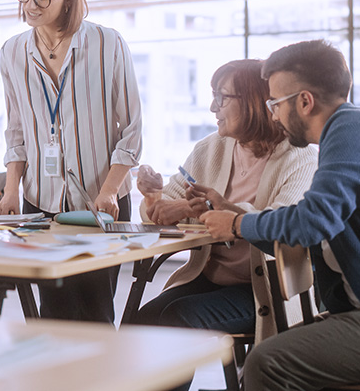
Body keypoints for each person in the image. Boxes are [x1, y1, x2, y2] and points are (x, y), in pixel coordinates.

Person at [201, 40, 360, 390]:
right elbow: (310, 217)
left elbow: (313, 222)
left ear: (304, 101)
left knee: (266, 364)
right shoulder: (353, 129)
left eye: (275, 104)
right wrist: (242, 219)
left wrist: (237, 224)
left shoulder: (348, 131)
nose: (272, 115)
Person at [134, 59, 317, 390]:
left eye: (222, 97)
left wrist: (226, 211)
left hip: (265, 289)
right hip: (212, 279)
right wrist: (155, 199)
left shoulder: (300, 156)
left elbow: (283, 223)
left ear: (252, 103)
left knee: (177, 321)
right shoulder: (211, 148)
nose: (212, 107)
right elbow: (158, 214)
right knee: (141, 322)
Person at [0, 0, 143, 323]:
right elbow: (16, 129)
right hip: (40, 200)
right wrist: (11, 189)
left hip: (99, 203)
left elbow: (132, 129)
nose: (30, 4)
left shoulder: (107, 43)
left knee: (95, 313)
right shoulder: (13, 52)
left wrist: (109, 189)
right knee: (52, 315)